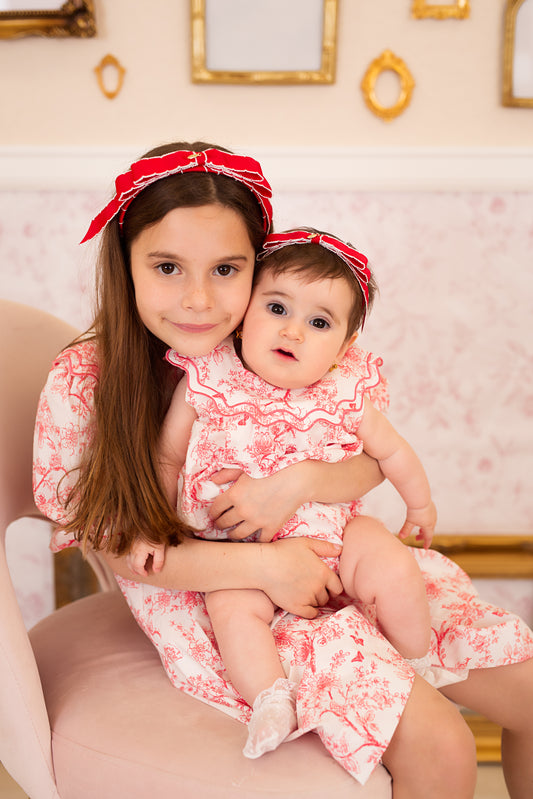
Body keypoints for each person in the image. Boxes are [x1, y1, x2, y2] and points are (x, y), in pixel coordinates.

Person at [32, 140, 533, 799]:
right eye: (167, 267)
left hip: (335, 552)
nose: (198, 299)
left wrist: (296, 484)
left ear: (260, 266)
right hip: (220, 594)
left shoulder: (278, 338)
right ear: (125, 263)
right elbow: (127, 547)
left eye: (226, 269)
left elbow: (367, 459)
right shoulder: (87, 381)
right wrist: (269, 565)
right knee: (444, 745)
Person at [128, 226, 437, 758]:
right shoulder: (211, 379)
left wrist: (421, 505)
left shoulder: (345, 392)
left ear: (344, 348)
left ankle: (416, 663)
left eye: (319, 323)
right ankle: (271, 700)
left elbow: (393, 454)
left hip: (335, 537)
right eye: (276, 309)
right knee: (231, 607)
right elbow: (167, 458)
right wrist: (151, 524)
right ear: (245, 313)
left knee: (391, 563)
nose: (293, 331)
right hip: (239, 550)